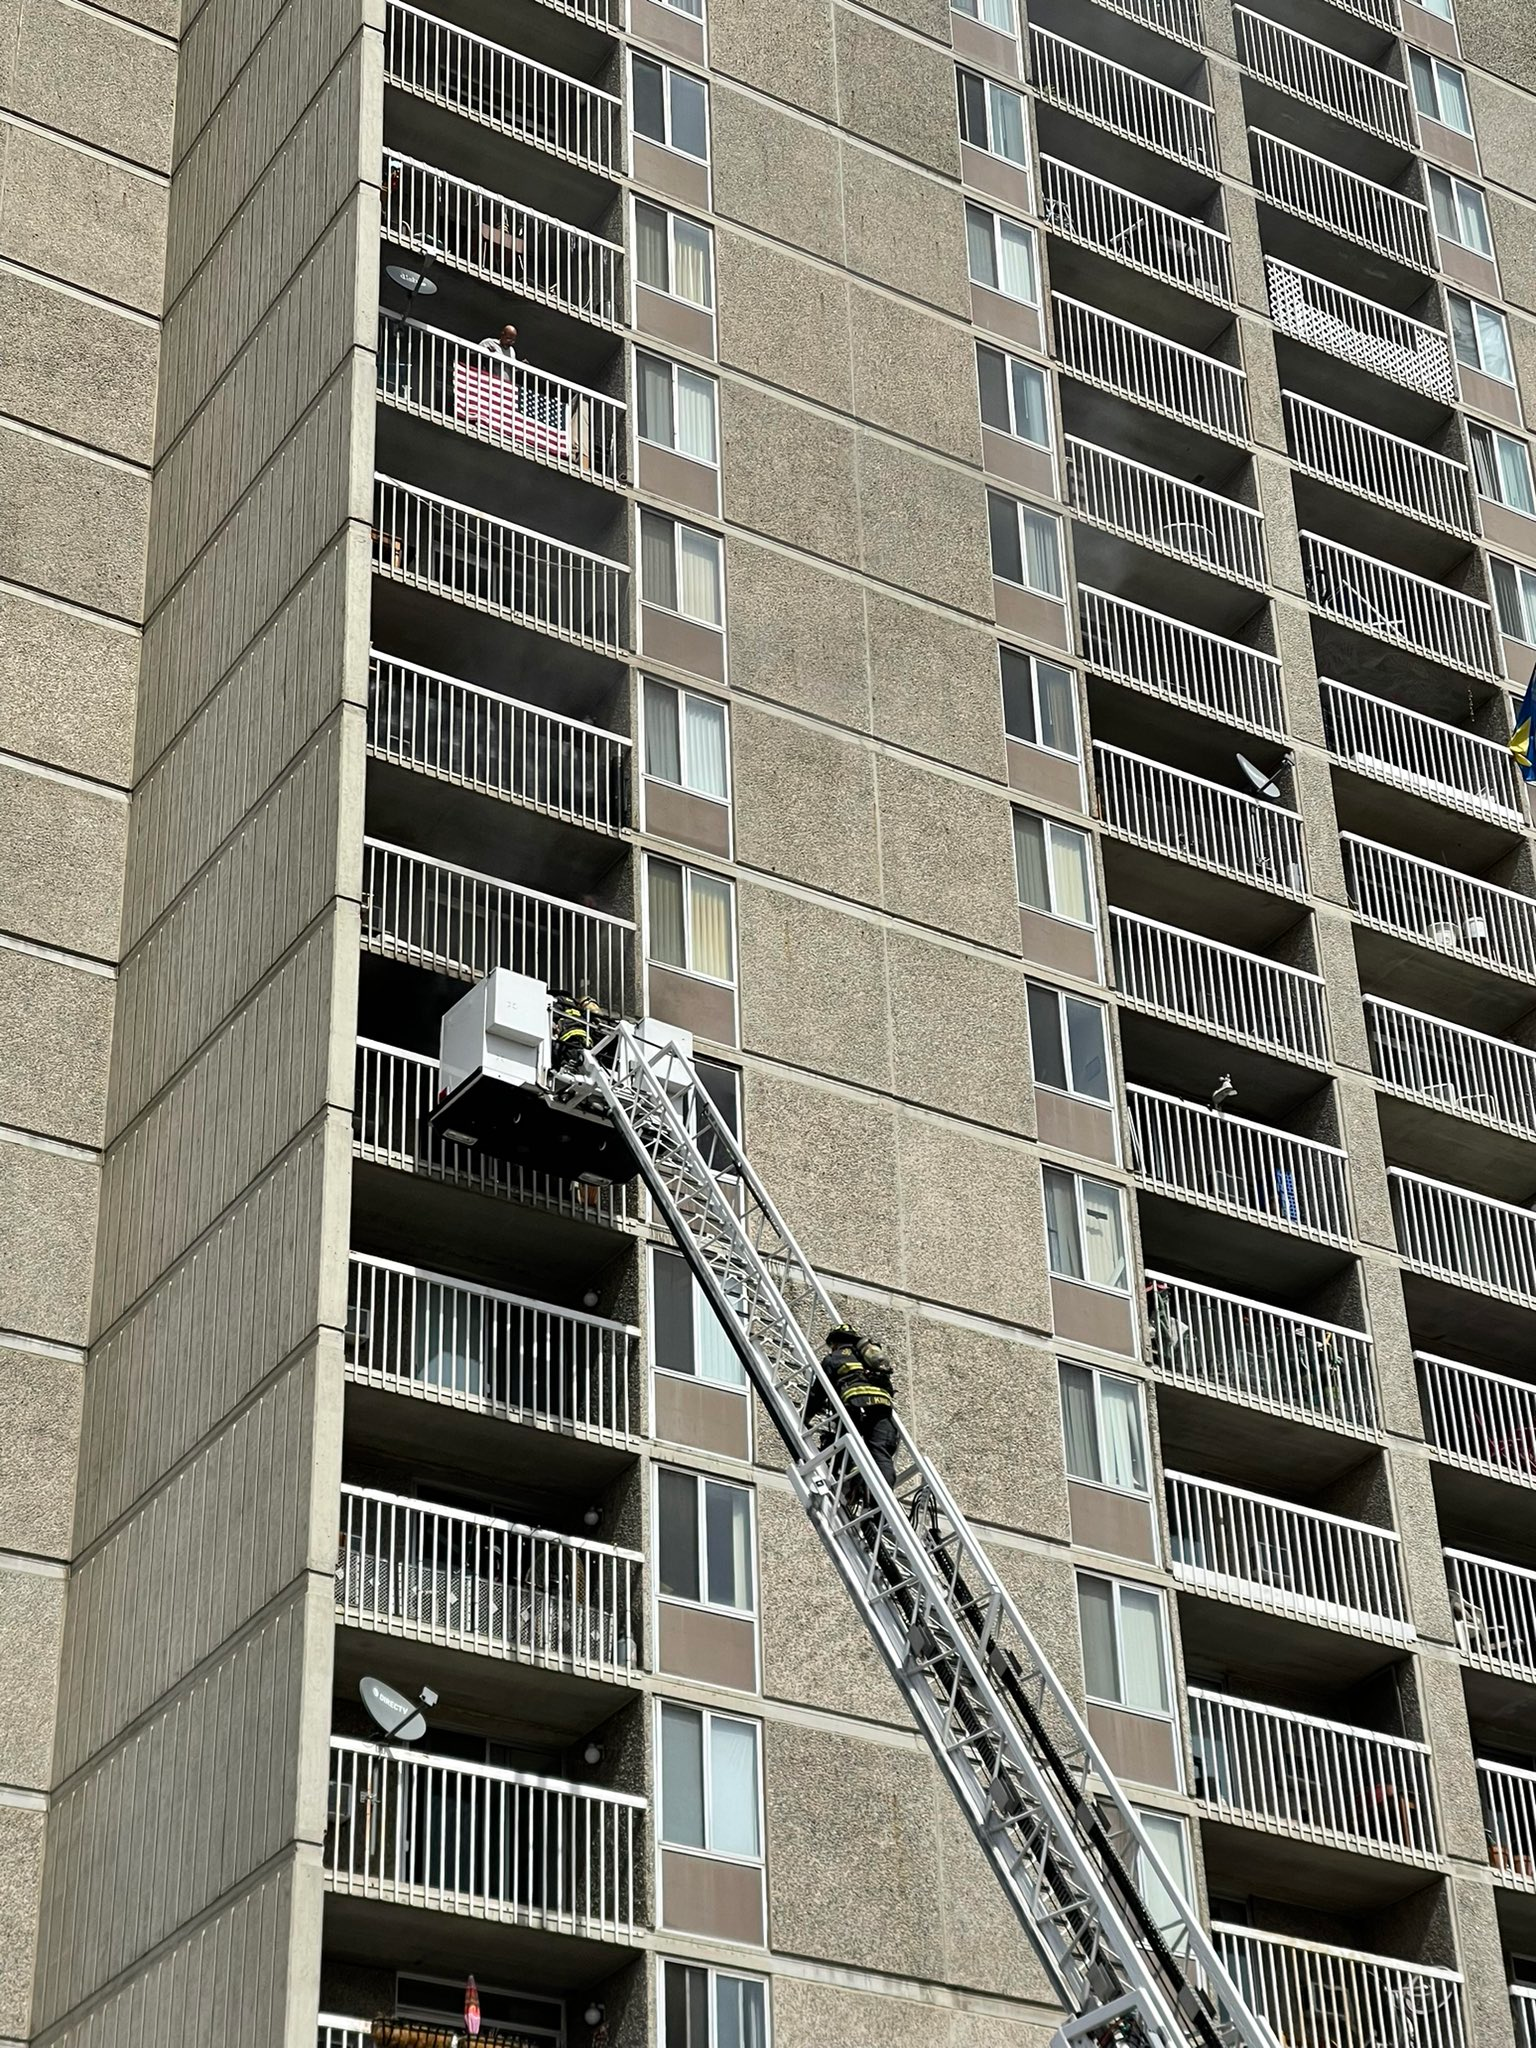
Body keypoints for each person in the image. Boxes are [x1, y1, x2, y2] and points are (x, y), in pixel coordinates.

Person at [806, 1323, 899, 1489]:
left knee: (847, 1444)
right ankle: (883, 1497)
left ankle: (855, 1480)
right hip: (882, 1407)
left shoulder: (833, 1358)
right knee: (881, 1454)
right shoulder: (867, 1358)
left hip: (855, 1405)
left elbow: (818, 1392)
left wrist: (805, 1417)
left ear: (834, 1343)